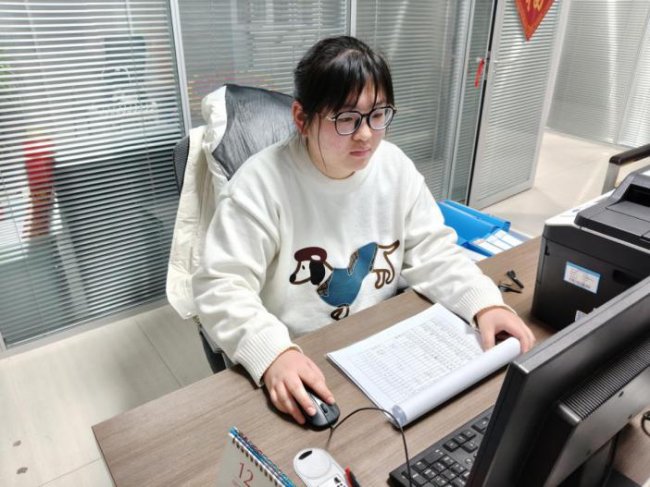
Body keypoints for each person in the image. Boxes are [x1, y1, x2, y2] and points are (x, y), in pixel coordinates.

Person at [192, 35, 535, 425]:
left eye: (377, 115)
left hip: (381, 346)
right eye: (346, 119)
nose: (366, 134)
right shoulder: (259, 186)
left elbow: (433, 251)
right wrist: (272, 353)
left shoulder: (393, 167)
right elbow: (221, 285)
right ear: (301, 119)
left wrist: (484, 302)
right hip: (301, 354)